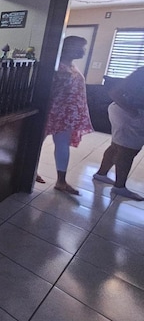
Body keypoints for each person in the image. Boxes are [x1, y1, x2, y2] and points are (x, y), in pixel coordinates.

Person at [37, 36, 94, 194]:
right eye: (79, 47)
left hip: (67, 115)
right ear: (68, 48)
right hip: (53, 112)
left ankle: (61, 181)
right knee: (36, 143)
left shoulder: (71, 66)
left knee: (62, 146)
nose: (83, 51)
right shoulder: (57, 68)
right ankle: (31, 171)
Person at [92, 66, 144, 201]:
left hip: (125, 112)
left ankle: (101, 174)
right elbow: (115, 92)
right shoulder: (141, 73)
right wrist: (133, 112)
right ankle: (119, 186)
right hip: (130, 113)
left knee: (117, 146)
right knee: (128, 151)